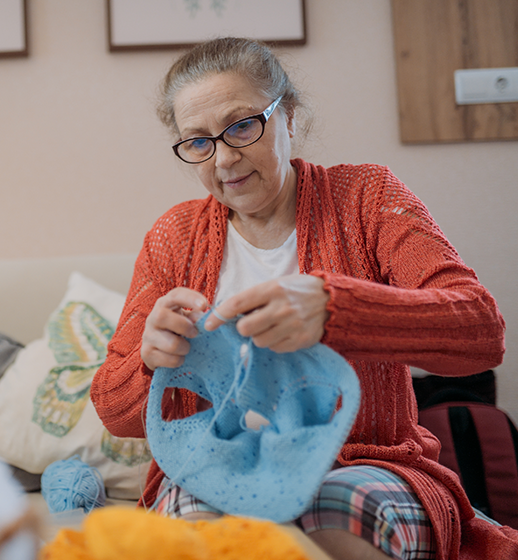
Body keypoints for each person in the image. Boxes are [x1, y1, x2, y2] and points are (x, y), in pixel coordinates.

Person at [90, 37, 517, 560]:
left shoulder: (367, 197)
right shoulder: (174, 237)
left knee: (335, 510)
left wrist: (337, 309)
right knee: (195, 527)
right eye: (198, 142)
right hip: (218, 465)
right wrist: (151, 362)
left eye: (242, 125)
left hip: (367, 464)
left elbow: (480, 331)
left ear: (288, 116)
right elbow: (114, 410)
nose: (224, 157)